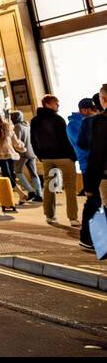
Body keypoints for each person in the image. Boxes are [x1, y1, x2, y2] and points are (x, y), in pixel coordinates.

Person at [30, 94, 80, 227]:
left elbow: (33, 141)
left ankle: (49, 215)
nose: (58, 105)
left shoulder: (35, 121)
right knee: (70, 187)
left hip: (47, 158)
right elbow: (65, 139)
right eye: (56, 103)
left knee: (49, 186)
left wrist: (40, 155)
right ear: (47, 104)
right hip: (63, 157)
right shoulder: (58, 120)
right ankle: (73, 217)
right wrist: (73, 156)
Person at [79, 84, 107, 251]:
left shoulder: (97, 122)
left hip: (103, 174)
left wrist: (89, 184)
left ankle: (95, 241)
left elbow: (95, 153)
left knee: (99, 206)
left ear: (103, 100)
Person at [0, 113, 26, 203]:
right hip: (10, 154)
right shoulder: (8, 127)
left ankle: (20, 193)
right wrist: (22, 147)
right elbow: (15, 140)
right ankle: (16, 196)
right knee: (10, 174)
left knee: (7, 175)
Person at [11, 110, 42, 203]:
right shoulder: (27, 125)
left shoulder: (17, 126)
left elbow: (17, 141)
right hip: (31, 152)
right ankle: (39, 194)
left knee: (18, 172)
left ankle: (30, 190)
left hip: (22, 153)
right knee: (34, 174)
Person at [67, 97, 99, 181]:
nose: (96, 112)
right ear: (84, 110)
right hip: (87, 165)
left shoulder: (91, 121)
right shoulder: (73, 124)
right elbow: (83, 144)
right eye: (93, 110)